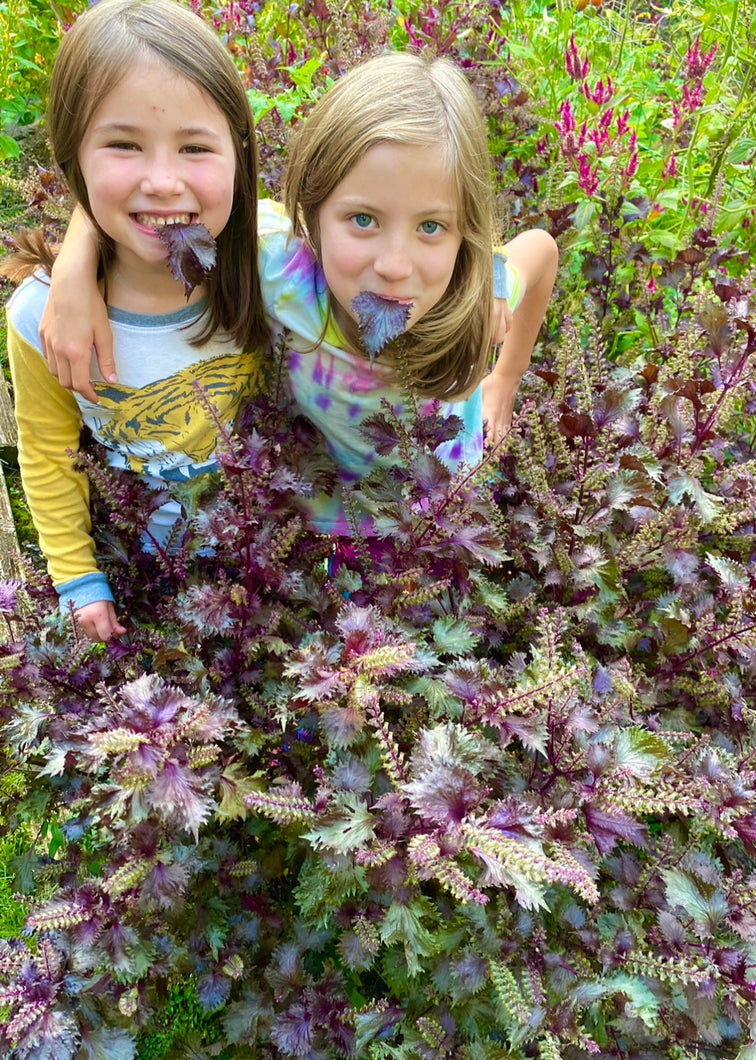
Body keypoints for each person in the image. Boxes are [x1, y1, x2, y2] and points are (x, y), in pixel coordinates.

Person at [38, 50, 558, 536]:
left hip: (442, 508)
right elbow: (157, 204)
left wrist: (505, 378)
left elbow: (541, 251)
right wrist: (73, 266)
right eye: (362, 219)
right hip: (317, 527)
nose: (394, 266)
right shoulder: (282, 271)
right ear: (310, 215)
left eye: (431, 227)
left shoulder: (470, 301)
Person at [2, 0, 269, 641]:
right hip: (136, 580)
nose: (162, 181)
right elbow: (48, 453)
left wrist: (474, 289)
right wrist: (77, 579)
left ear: (238, 153)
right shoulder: (42, 316)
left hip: (271, 563)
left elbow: (374, 255)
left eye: (195, 147)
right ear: (74, 157)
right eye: (123, 144)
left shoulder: (273, 263)